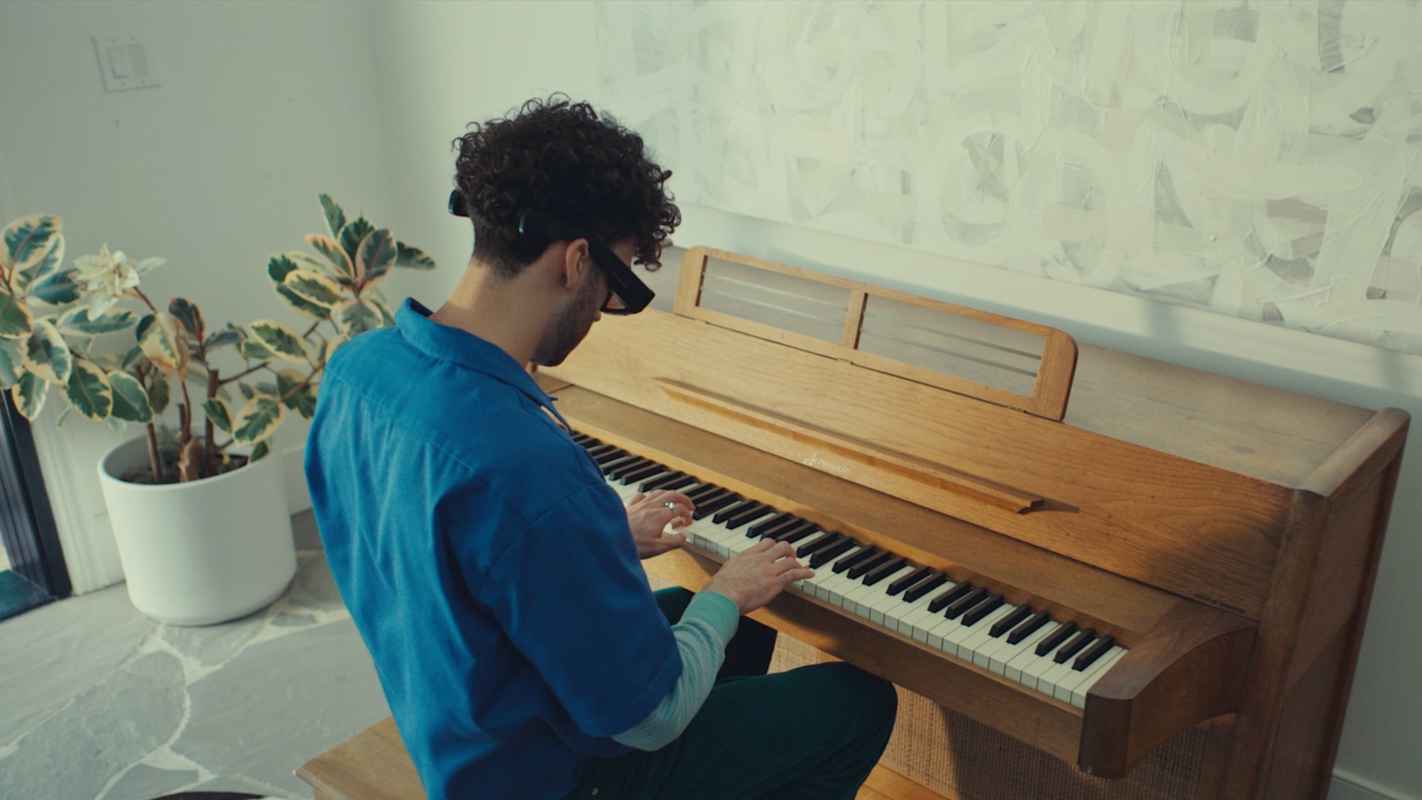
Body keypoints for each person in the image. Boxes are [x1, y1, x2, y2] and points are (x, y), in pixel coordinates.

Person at [305, 94, 898, 800]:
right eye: (617, 287)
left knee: (696, 618)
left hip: (455, 723)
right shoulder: (524, 460)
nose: (606, 313)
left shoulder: (355, 371)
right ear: (576, 260)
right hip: (546, 779)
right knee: (858, 700)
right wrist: (729, 591)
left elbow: (443, 553)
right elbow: (653, 719)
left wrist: (600, 538)